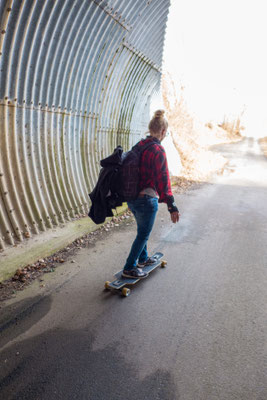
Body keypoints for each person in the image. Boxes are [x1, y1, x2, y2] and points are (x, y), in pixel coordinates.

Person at [122, 110, 180, 278]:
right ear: (163, 131)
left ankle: (143, 258)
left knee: (142, 230)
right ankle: (129, 267)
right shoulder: (158, 150)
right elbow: (163, 180)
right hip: (146, 199)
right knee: (143, 234)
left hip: (132, 198)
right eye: (166, 133)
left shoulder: (139, 145)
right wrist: (172, 205)